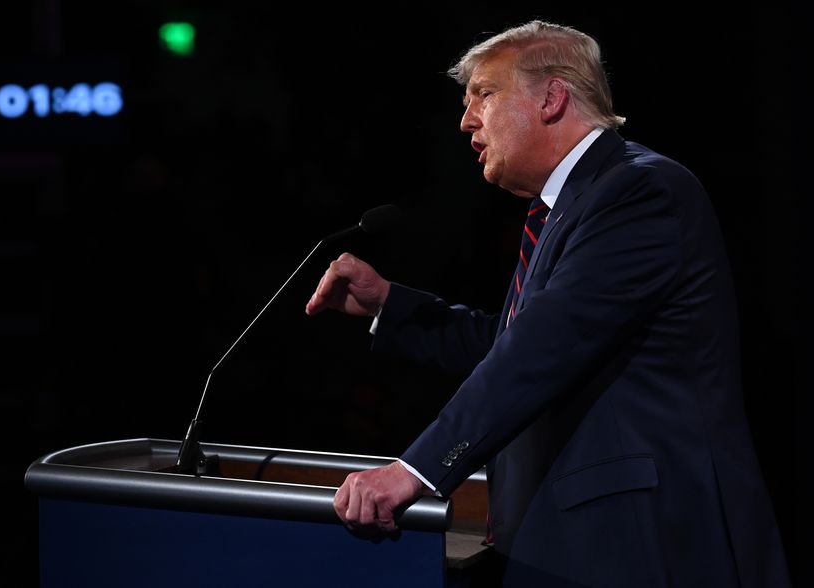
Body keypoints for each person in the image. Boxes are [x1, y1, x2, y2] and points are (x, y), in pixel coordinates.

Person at [305, 20, 789, 587]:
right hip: (575, 543)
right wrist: (391, 305)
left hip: (640, 544)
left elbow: (542, 348)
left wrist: (414, 470)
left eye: (484, 94)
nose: (466, 120)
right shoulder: (570, 206)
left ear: (552, 97)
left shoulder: (639, 191)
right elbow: (515, 345)